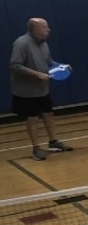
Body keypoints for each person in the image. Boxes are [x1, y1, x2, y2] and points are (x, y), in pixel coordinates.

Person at [9, 18, 74, 161]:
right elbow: (15, 65)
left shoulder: (44, 44)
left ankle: (53, 142)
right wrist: (36, 73)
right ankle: (36, 149)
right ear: (34, 29)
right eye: (45, 28)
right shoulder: (21, 43)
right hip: (26, 91)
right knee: (32, 118)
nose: (48, 30)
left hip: (42, 89)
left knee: (48, 114)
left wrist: (61, 66)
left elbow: (49, 63)